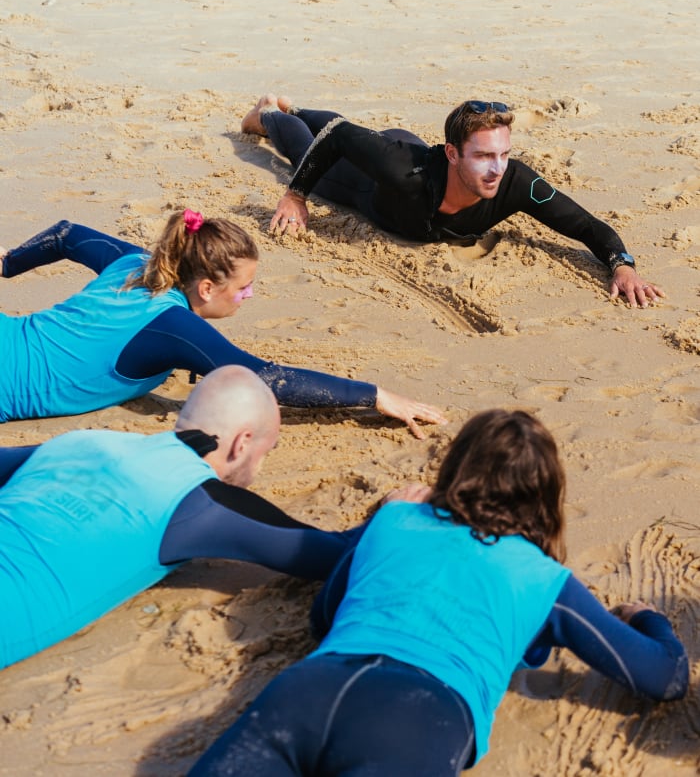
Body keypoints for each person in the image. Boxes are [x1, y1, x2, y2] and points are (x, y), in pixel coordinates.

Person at [189, 409, 688, 776]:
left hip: (307, 690)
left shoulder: (394, 517)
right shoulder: (543, 579)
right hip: (417, 715)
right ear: (546, 496)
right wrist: (649, 619)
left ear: (453, 471)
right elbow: (663, 678)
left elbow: (324, 618)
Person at [0, 365, 365, 670]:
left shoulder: (80, 441)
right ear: (242, 443)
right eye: (264, 453)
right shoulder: (199, 504)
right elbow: (335, 554)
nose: (260, 467)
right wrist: (399, 506)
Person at [0, 210, 445, 438]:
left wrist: (7, 266)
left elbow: (66, 233)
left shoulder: (135, 262)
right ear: (208, 288)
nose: (249, 296)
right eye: (244, 287)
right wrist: (376, 394)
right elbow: (266, 378)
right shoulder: (174, 326)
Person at [241, 94, 664, 309]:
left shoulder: (515, 183)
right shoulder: (402, 171)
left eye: (503, 154)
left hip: (397, 147)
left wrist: (622, 264)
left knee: (355, 134)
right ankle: (270, 114)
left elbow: (586, 225)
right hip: (369, 184)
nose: (496, 168)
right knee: (307, 150)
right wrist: (295, 195)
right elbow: (338, 136)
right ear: (452, 153)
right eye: (482, 156)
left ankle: (292, 104)